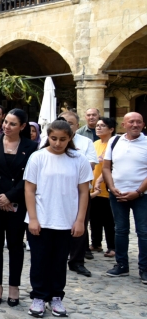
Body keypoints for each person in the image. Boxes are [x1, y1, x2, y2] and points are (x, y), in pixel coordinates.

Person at [24, 120, 92, 318]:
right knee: (39, 260)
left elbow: (83, 192)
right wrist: (33, 219)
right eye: (53, 138)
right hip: (42, 218)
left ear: (70, 138)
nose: (57, 143)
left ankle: (56, 297)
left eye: (63, 139)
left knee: (59, 261)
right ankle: (38, 296)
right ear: (48, 137)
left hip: (66, 220)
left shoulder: (78, 159)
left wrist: (80, 220)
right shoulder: (38, 157)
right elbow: (29, 189)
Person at [0, 109, 38, 307]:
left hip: (18, 201)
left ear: (22, 126)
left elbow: (30, 177)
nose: (6, 126)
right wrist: (0, 198)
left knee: (16, 245)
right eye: (6, 122)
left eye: (12, 124)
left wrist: (10, 197)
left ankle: (14, 286)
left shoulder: (31, 147)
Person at [45, 112, 98, 276]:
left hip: (78, 190)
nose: (66, 124)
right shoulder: (49, 141)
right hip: (53, 190)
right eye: (63, 121)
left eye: (70, 123)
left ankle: (76, 261)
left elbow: (91, 164)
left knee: (79, 225)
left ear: (76, 126)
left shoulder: (86, 142)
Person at [102, 112, 147, 283]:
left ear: (143, 124)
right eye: (131, 122)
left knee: (143, 232)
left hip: (142, 195)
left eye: (138, 122)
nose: (135, 125)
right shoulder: (114, 141)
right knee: (120, 230)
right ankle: (121, 265)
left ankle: (144, 268)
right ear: (124, 125)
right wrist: (112, 187)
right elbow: (106, 167)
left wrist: (138, 191)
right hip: (118, 194)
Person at [89, 118, 116, 258]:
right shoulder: (95, 143)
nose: (98, 128)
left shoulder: (114, 143)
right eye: (98, 126)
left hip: (107, 188)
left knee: (108, 220)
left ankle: (112, 246)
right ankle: (96, 243)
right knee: (94, 218)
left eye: (102, 126)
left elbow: (110, 165)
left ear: (111, 129)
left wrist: (101, 180)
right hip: (94, 188)